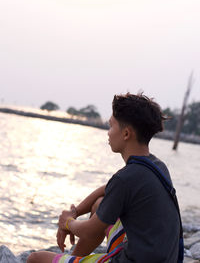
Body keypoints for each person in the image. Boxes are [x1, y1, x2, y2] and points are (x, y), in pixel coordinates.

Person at [27, 92, 181, 263]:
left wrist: (67, 222)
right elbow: (106, 190)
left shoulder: (125, 179)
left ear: (126, 134)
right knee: (100, 204)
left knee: (36, 258)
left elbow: (89, 232)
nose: (108, 133)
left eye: (111, 126)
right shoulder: (156, 166)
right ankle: (71, 259)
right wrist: (76, 212)